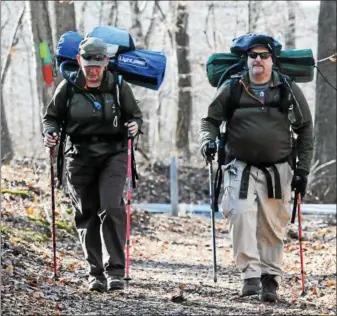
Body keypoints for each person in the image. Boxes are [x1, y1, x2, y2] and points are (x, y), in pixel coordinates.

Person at [200, 34, 313, 302]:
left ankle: (270, 279)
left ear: (272, 60)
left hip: (279, 168)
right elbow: (210, 120)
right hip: (239, 165)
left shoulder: (287, 88)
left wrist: (302, 171)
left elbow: (305, 128)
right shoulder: (232, 87)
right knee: (239, 214)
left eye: (264, 55)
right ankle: (249, 276)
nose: (258, 60)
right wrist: (207, 141)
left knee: (272, 225)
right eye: (253, 55)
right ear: (247, 59)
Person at [42, 37, 143, 292]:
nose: (93, 69)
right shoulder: (68, 87)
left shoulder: (119, 86)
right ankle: (95, 273)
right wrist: (50, 133)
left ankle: (116, 272)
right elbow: (51, 117)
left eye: (98, 63)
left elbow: (135, 115)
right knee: (86, 214)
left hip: (114, 154)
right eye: (89, 63)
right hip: (79, 155)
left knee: (110, 207)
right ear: (79, 61)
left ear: (106, 62)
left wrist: (135, 126)